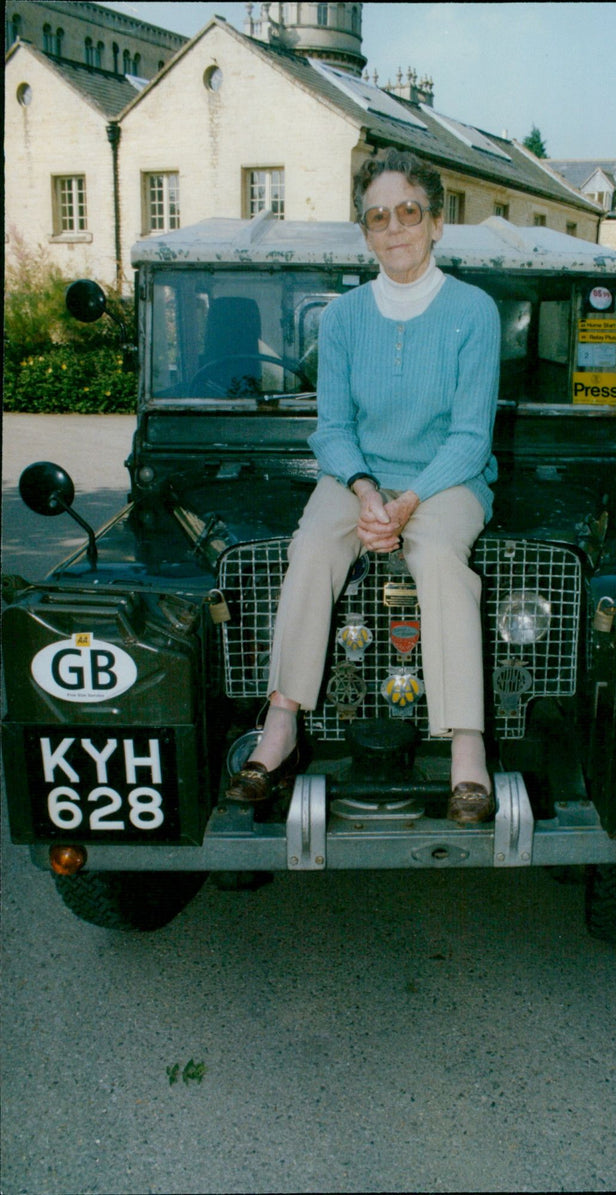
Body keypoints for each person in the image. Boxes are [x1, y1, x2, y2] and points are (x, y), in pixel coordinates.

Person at [226, 148, 501, 825]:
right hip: (359, 479)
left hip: (449, 477)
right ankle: (281, 725)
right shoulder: (344, 317)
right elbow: (332, 427)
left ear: (435, 222)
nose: (395, 227)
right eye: (378, 216)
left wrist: (407, 504)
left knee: (438, 558)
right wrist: (365, 489)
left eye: (408, 211)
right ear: (366, 231)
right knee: (312, 548)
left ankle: (468, 750)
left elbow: (470, 436)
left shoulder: (475, 311)